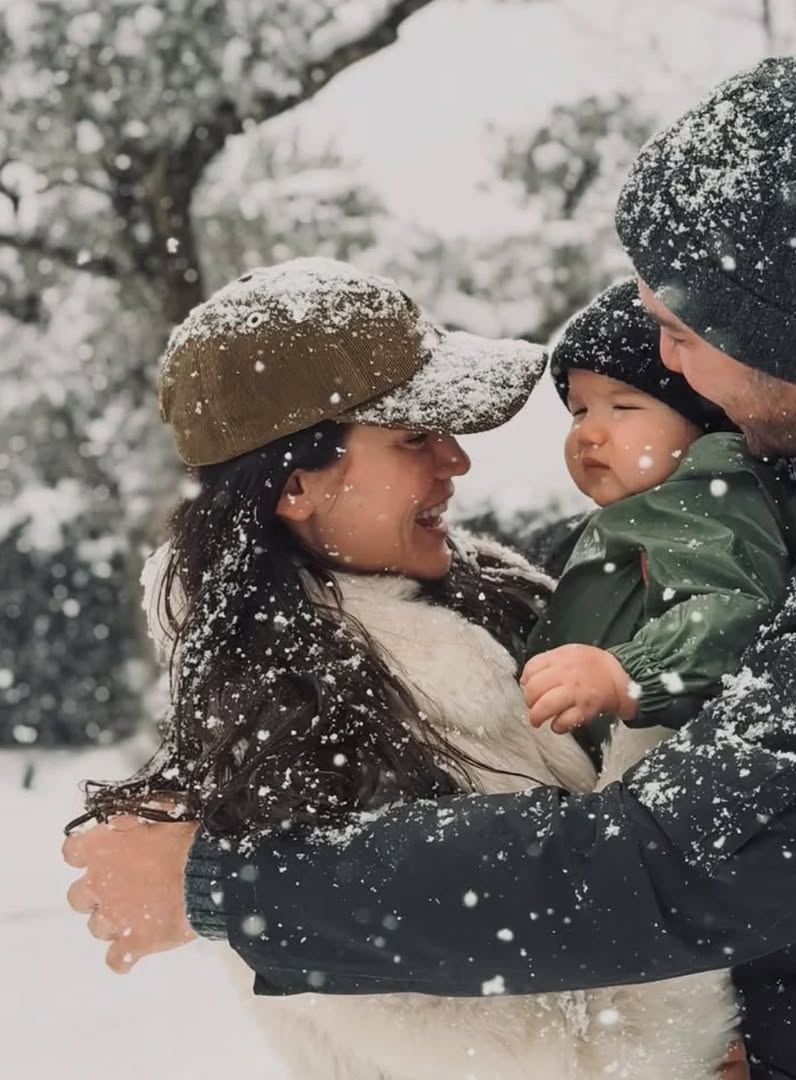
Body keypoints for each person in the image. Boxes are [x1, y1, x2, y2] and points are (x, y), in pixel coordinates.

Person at [64, 56, 796, 1079]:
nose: (664, 366)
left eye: (679, 333)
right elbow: (636, 560)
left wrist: (227, 887)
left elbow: (665, 864)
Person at [66, 257, 743, 1079]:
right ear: (297, 487)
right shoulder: (292, 728)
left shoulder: (491, 597)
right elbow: (544, 1050)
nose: (455, 462)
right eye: (416, 437)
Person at [520, 277, 795, 775]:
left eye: (623, 407)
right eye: (578, 410)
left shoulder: (709, 492)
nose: (589, 433)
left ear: (702, 421)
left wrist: (626, 672)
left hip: (659, 767)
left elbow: (731, 609)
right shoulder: (640, 509)